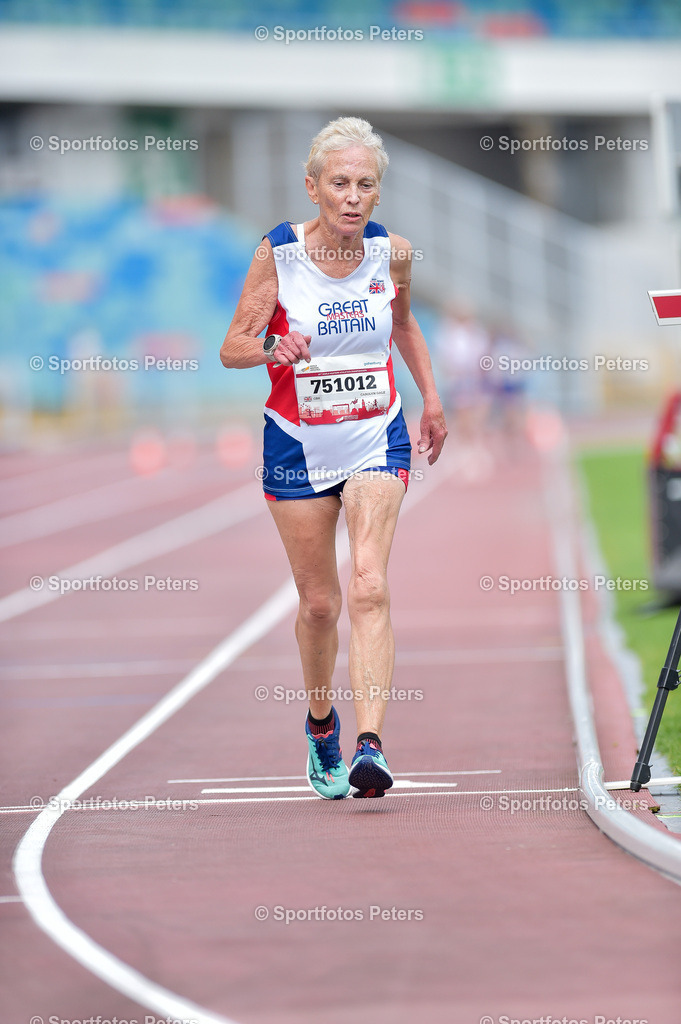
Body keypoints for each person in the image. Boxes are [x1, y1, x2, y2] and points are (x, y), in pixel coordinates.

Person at [220, 117, 447, 799]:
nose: (352, 196)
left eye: (365, 185)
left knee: (370, 584)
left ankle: (369, 745)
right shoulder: (278, 255)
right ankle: (321, 724)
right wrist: (270, 349)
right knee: (320, 604)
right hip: (295, 439)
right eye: (340, 183)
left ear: (377, 195)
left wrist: (430, 399)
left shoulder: (393, 253)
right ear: (313, 187)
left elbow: (402, 325)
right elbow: (232, 345)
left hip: (376, 433)